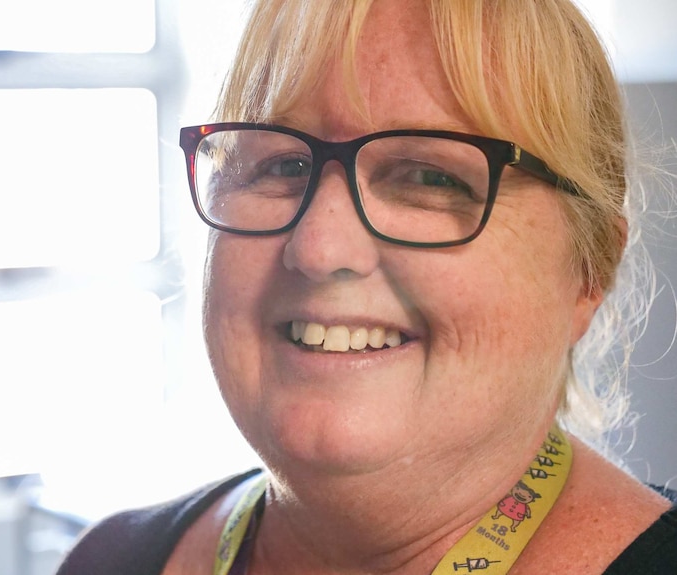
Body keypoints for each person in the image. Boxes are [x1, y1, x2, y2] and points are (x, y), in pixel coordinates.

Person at [57, 0, 677, 573]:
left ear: (590, 274)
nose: (320, 248)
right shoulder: (112, 559)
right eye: (281, 165)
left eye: (430, 177)